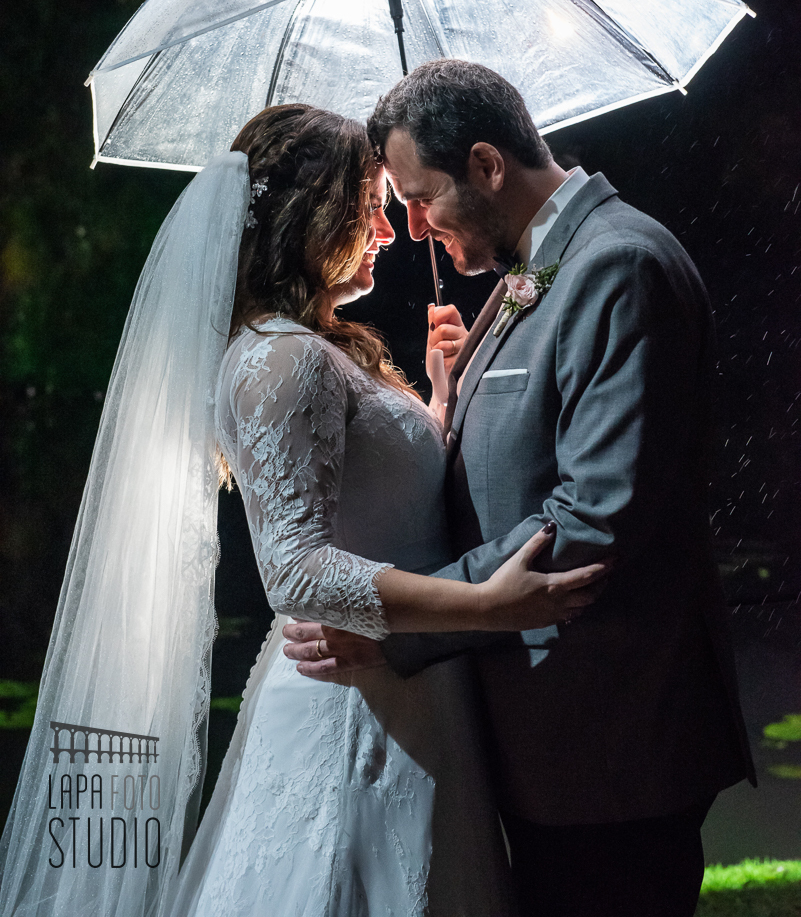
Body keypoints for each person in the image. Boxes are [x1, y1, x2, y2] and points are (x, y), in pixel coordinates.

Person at [0, 101, 608, 917]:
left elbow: (379, 497)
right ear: (308, 214)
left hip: (411, 693)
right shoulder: (283, 359)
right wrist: (487, 607)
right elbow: (296, 570)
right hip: (350, 703)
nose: (392, 233)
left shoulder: (316, 345)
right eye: (369, 210)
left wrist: (438, 396)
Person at [283, 62, 757, 917]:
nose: (417, 230)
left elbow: (593, 518)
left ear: (488, 165)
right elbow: (519, 452)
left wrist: (409, 622)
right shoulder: (531, 271)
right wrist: (454, 390)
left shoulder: (619, 265)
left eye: (423, 198)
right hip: (546, 739)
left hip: (609, 738)